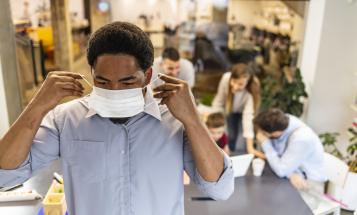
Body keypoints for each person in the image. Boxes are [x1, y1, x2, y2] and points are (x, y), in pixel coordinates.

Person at [0, 22, 234, 215]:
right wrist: (37, 107)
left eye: (127, 82)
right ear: (91, 73)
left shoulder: (175, 121)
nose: (114, 90)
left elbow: (220, 189)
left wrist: (192, 119)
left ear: (148, 75)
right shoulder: (66, 120)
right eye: (102, 82)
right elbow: (5, 175)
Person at [254, 108, 326, 192]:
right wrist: (290, 174)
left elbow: (281, 170)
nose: (260, 134)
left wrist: (265, 143)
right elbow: (280, 161)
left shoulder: (302, 139)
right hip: (293, 174)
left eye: (263, 133)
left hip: (308, 184)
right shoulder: (283, 122)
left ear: (276, 133)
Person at [212, 63, 264, 159]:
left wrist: (250, 148)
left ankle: (242, 159)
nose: (235, 87)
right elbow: (218, 102)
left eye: (240, 84)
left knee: (243, 141)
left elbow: (248, 118)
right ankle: (227, 156)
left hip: (245, 113)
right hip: (230, 110)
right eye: (234, 81)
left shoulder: (252, 89)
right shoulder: (225, 78)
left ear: (247, 82)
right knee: (229, 135)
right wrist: (217, 123)